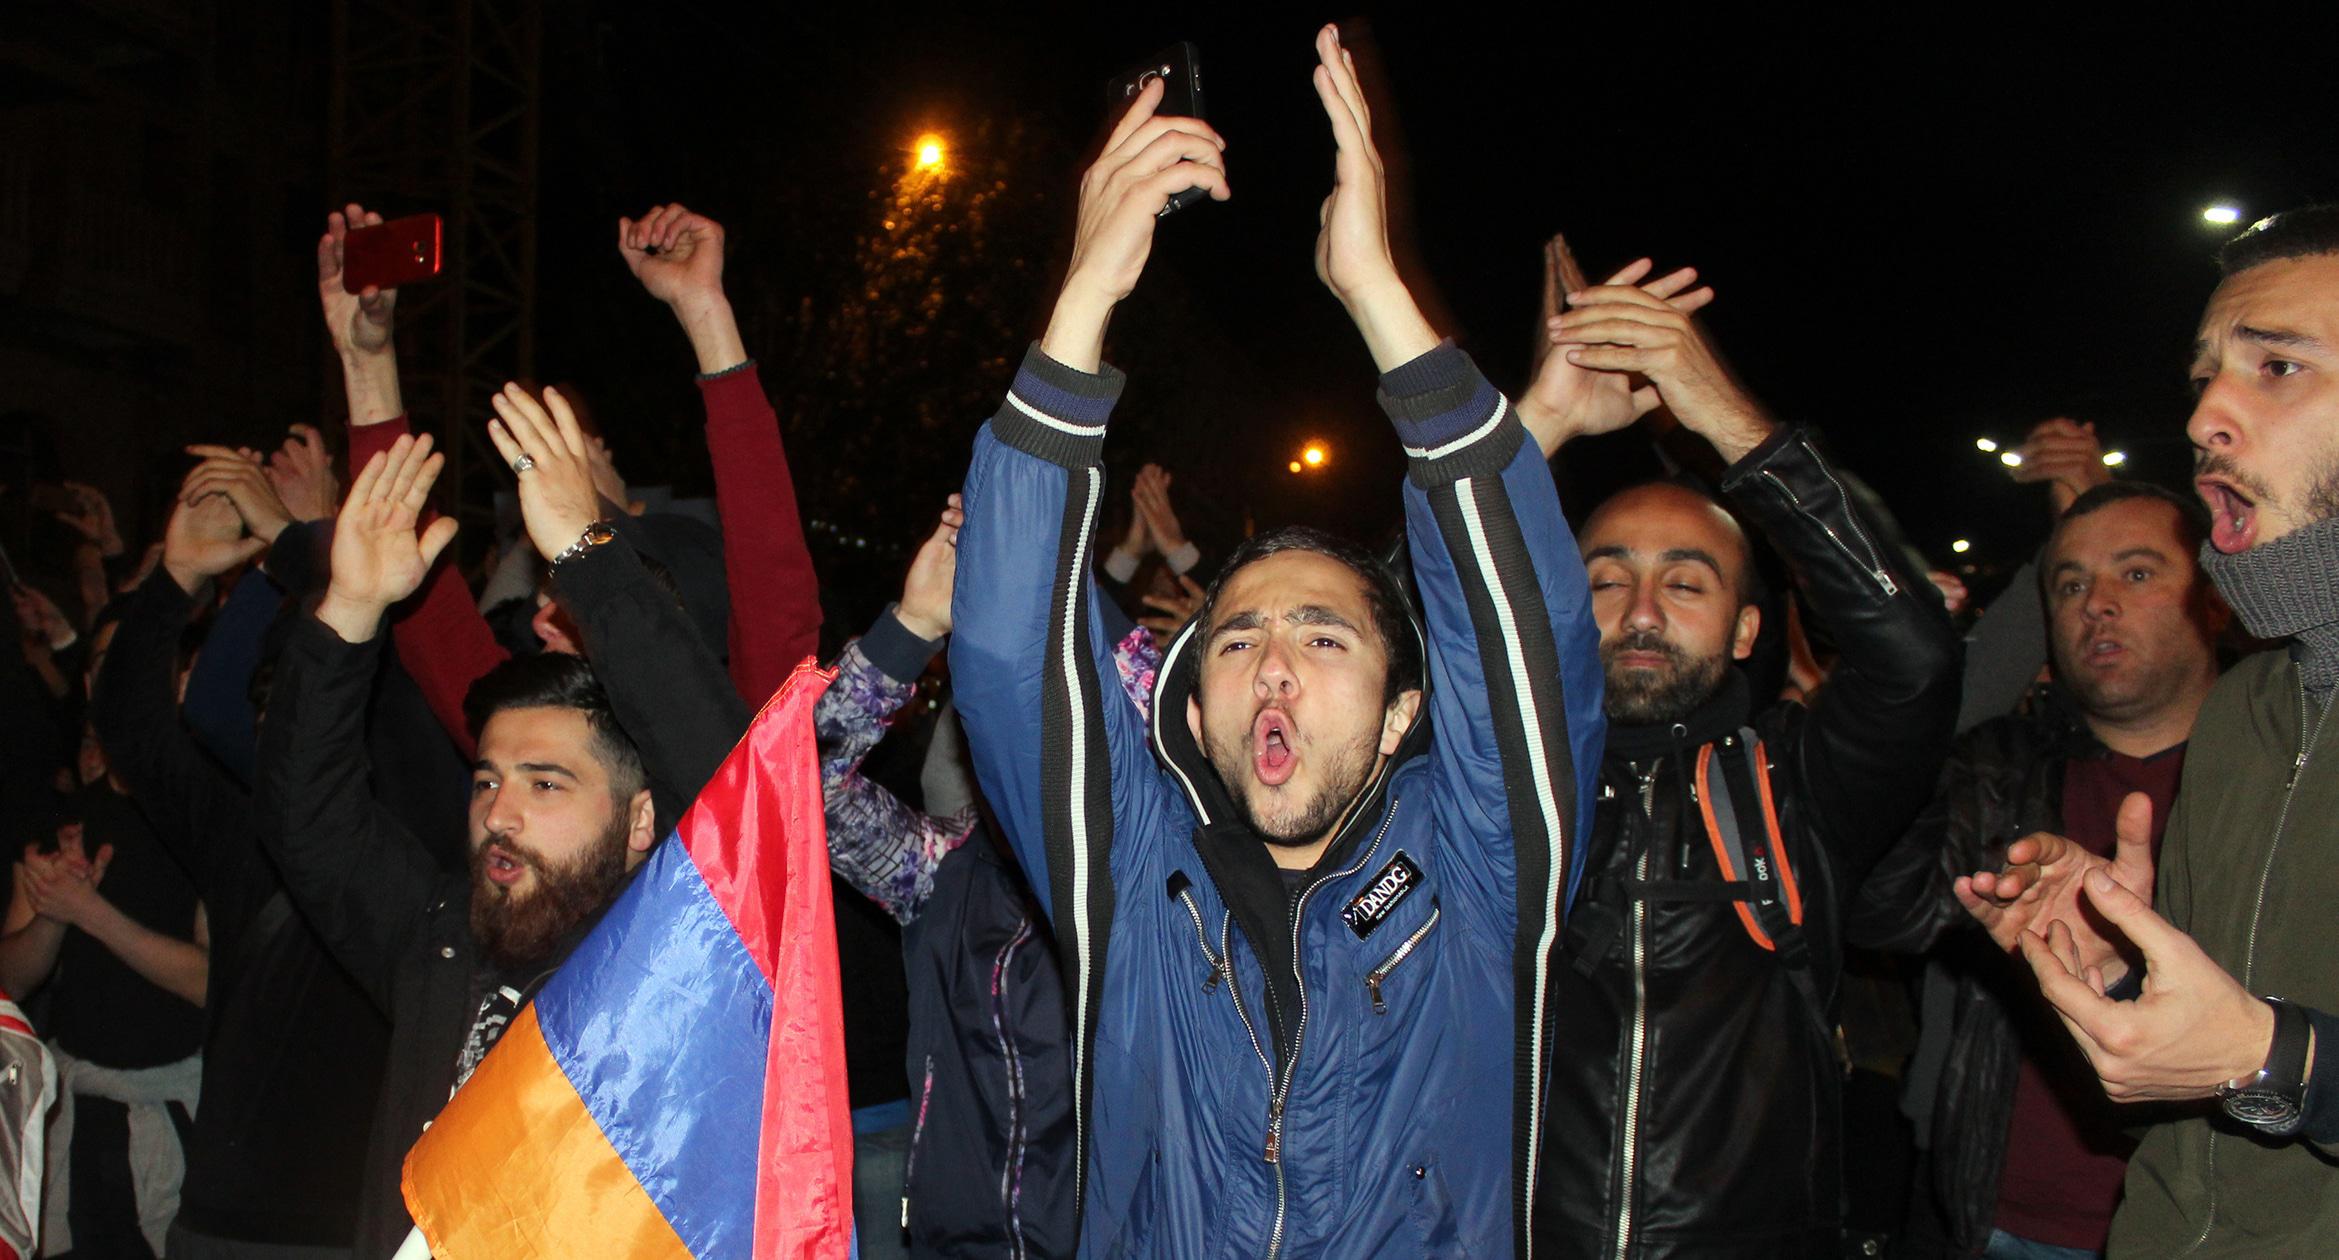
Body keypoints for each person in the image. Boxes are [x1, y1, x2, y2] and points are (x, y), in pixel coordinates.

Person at [949, 26, 1605, 1255]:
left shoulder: (1478, 877)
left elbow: (1525, 641)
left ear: (1403, 714)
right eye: (1237, 639)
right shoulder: (1133, 883)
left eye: (1325, 638)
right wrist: (1083, 294)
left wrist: (1378, 296)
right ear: (1193, 710)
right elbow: (1004, 655)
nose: (1275, 665)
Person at [1527, 247, 1961, 1251]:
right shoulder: (1505, 783)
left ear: (1744, 630)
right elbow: (1363, 656)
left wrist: (1721, 415)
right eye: (1606, 580)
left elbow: (1914, 661)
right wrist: (1533, 427)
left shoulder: (1797, 785)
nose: (1641, 610)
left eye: (1685, 583)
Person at [1963, 204, 2339, 1257]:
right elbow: (2199, 1117)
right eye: (2203, 377)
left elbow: (2266, 1059)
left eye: (2276, 367)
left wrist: (2280, 1060)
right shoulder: (2246, 715)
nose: (2206, 414)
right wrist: (2127, 976)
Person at [254, 433, 665, 1260]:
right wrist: (348, 613)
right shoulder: (441, 938)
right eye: (485, 781)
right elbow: (309, 813)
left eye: (545, 785)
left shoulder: (675, 977)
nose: (498, 814)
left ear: (640, 821)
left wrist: (597, 562)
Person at [1852, 483, 2224, 1260]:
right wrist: (1904, 667)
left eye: (2136, 573)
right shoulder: (1999, 769)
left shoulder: (2283, 775)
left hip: (2209, 1229)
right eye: (2070, 585)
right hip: (1988, 1217)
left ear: (2215, 600)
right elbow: (1877, 905)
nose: (2097, 604)